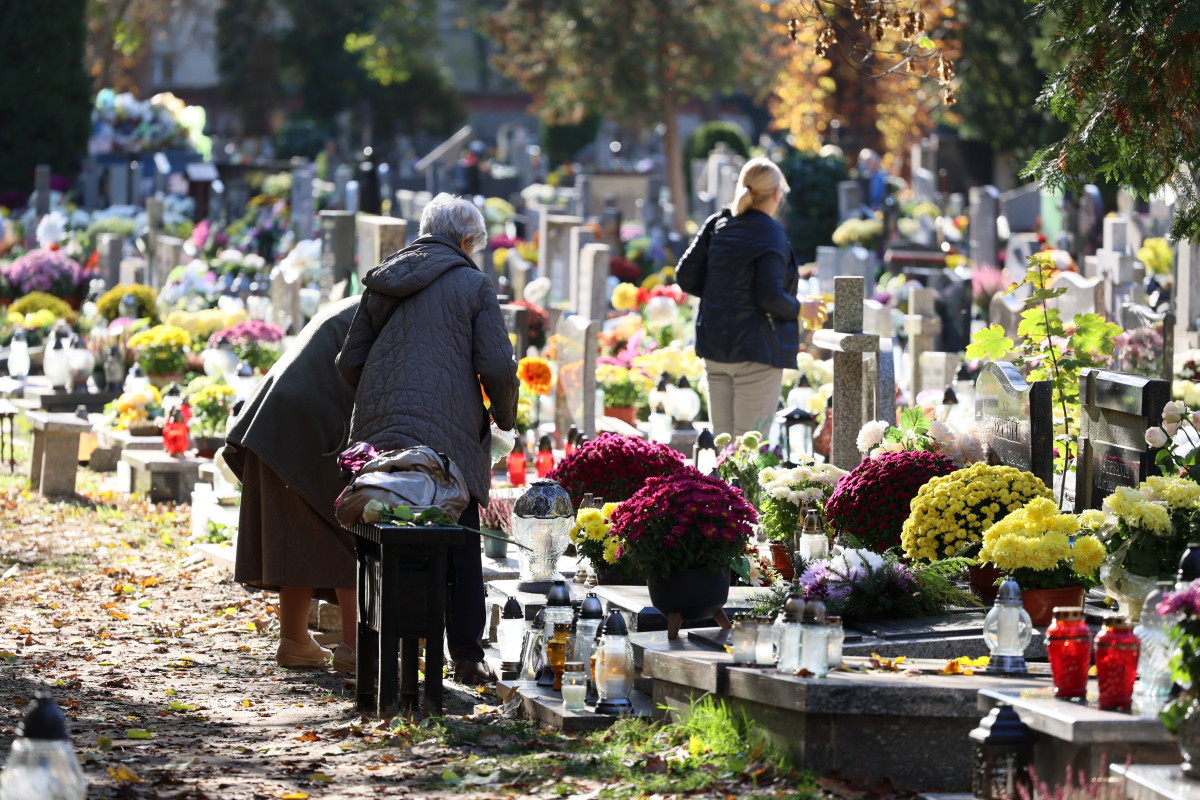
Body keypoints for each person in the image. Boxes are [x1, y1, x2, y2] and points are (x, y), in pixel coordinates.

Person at [336, 192, 519, 685]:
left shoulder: (385, 279)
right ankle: (464, 656)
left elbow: (349, 362)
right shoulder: (474, 285)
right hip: (447, 440)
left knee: (384, 533)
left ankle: (385, 651)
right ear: (464, 241)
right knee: (458, 537)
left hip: (379, 441)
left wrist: (383, 400)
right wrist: (503, 418)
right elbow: (498, 367)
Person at [225, 296, 360, 672]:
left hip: (274, 415)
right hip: (305, 417)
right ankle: (355, 646)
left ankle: (295, 641)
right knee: (350, 528)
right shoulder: (397, 309)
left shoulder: (366, 299)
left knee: (297, 530)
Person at [676, 157, 800, 438]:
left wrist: (721, 293)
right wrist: (801, 308)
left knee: (725, 449)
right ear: (776, 194)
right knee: (749, 453)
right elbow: (769, 296)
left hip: (715, 347)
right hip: (757, 354)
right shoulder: (772, 232)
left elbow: (685, 276)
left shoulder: (717, 223)